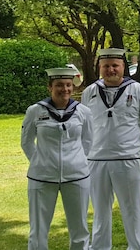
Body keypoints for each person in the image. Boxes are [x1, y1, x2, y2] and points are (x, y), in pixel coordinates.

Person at [81, 48, 140, 250]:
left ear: (123, 67)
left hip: (127, 158)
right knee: (100, 210)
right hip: (96, 159)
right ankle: (101, 247)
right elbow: (85, 124)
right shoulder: (90, 92)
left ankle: (136, 247)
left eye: (115, 65)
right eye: (106, 66)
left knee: (131, 208)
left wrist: (132, 142)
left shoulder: (137, 90)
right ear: (99, 68)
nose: (111, 69)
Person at [21, 67, 93, 250]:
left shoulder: (83, 112)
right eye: (59, 85)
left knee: (80, 230)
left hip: (76, 176)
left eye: (68, 85)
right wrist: (40, 161)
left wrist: (76, 161)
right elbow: (27, 142)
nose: (65, 89)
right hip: (42, 177)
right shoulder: (35, 111)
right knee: (38, 230)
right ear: (50, 88)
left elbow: (88, 141)